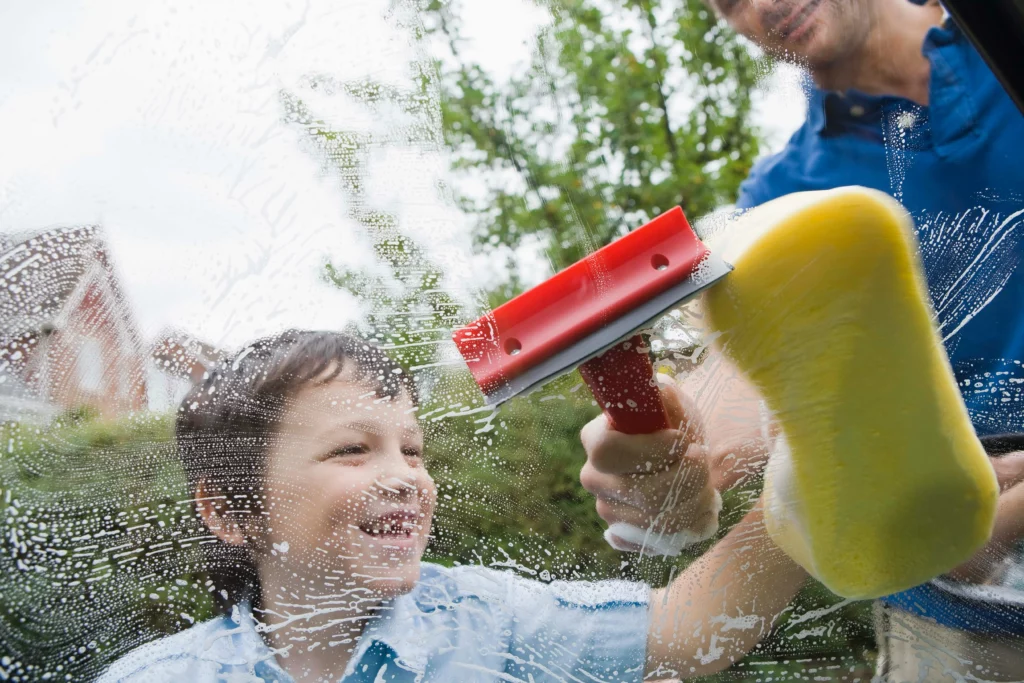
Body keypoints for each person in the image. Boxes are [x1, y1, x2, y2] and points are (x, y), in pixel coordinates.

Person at [583, 0, 1024, 680]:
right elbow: (750, 383)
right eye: (727, 2)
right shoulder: (786, 196)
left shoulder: (1003, 32)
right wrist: (669, 454)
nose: (762, 4)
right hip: (959, 621)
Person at [97, 329, 804, 683]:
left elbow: (686, 629)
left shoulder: (484, 624)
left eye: (413, 449)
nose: (405, 476)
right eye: (352, 449)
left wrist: (808, 481)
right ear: (228, 511)